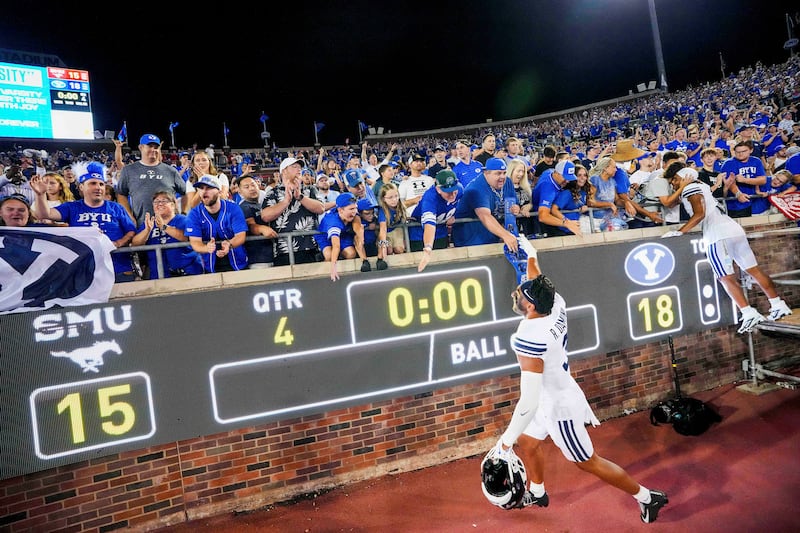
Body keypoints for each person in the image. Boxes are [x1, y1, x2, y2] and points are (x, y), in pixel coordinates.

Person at [491, 236, 668, 523]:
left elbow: (529, 400)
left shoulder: (529, 336)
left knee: (587, 462)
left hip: (558, 407)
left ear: (531, 307)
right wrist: (532, 253)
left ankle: (647, 497)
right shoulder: (555, 303)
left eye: (520, 295)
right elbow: (537, 278)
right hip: (554, 392)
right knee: (529, 439)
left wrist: (504, 444)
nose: (516, 294)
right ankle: (537, 491)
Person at [661, 163, 792, 333]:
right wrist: (682, 187)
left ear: (682, 176)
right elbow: (671, 203)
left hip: (717, 234)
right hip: (733, 229)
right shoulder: (700, 185)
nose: (673, 184)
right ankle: (778, 304)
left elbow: (699, 213)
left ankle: (748, 312)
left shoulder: (690, 188)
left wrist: (680, 232)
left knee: (725, 277)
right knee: (754, 270)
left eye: (674, 180)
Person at [30, 172, 137, 283]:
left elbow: (131, 231)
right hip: (84, 270)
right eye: (92, 183)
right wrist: (40, 195)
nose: (98, 188)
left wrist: (118, 243)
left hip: (118, 268)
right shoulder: (72, 207)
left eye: (101, 184)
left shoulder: (116, 207)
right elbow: (44, 214)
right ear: (81, 187)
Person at [261, 157, 325, 266]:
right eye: (294, 167)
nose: (299, 169)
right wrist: (286, 201)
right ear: (283, 171)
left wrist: (300, 197)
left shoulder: (310, 189)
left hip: (311, 247)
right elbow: (265, 216)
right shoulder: (273, 193)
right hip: (283, 249)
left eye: (300, 167)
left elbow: (321, 208)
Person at [115, 134, 185, 226]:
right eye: (150, 146)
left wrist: (184, 211)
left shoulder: (171, 171)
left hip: (170, 226)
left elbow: (186, 192)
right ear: (141, 147)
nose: (153, 150)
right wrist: (129, 216)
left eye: (156, 147)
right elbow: (121, 194)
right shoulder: (129, 170)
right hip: (142, 226)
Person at [130, 191, 203, 278]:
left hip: (187, 273)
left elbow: (188, 237)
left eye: (164, 201)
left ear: (173, 205)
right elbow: (135, 243)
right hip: (159, 275)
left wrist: (164, 227)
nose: (160, 204)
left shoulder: (184, 220)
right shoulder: (149, 223)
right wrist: (147, 231)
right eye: (156, 202)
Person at [452, 157, 520, 250]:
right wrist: (505, 235)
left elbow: (512, 202)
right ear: (486, 173)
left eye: (504, 173)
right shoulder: (476, 189)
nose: (502, 177)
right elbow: (484, 216)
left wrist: (515, 207)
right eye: (498, 173)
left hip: (493, 236)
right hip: (470, 240)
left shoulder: (507, 182)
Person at [185, 175, 248, 273]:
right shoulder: (194, 214)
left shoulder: (233, 208)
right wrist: (206, 248)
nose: (204, 192)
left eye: (209, 188)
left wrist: (229, 244)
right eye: (201, 188)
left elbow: (240, 236)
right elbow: (195, 242)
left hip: (237, 264)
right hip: (209, 267)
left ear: (219, 191)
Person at [314, 192, 373, 280]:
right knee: (329, 255)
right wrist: (333, 268)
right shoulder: (333, 221)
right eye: (351, 209)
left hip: (343, 233)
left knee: (351, 254)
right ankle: (324, 262)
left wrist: (361, 237)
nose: (354, 211)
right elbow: (336, 245)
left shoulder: (353, 214)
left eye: (355, 208)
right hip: (325, 236)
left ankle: (340, 256)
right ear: (340, 210)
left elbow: (357, 226)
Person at [412, 169, 462, 271]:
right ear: (438, 189)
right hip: (420, 235)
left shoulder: (460, 190)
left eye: (454, 190)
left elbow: (464, 203)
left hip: (441, 232)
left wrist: (455, 215)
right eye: (448, 192)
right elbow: (429, 224)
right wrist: (428, 248)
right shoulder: (430, 198)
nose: (452, 195)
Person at [531, 159, 582, 236]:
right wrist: (566, 223)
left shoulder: (550, 171)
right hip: (542, 221)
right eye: (565, 177)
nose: (567, 181)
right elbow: (543, 216)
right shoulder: (548, 188)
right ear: (557, 173)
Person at [236, 175, 277, 269]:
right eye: (246, 187)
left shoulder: (261, 204)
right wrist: (261, 228)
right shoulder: (244, 207)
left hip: (271, 255)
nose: (251, 188)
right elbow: (250, 225)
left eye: (253, 185)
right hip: (258, 258)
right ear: (240, 192)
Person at [720, 140, 767, 218]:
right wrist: (738, 194)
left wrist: (745, 180)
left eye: (744, 151)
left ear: (751, 150)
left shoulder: (756, 161)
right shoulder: (729, 163)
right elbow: (730, 182)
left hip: (752, 200)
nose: (740, 154)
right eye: (737, 152)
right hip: (734, 203)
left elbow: (762, 180)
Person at [398, 153, 435, 217]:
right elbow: (400, 204)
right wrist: (414, 200)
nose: (419, 163)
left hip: (429, 215)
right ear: (410, 165)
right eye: (416, 161)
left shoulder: (429, 180)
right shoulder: (404, 182)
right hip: (412, 218)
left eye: (421, 161)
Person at [376, 182, 407, 258]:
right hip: (386, 233)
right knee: (388, 250)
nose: (394, 200)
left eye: (396, 196)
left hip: (397, 230)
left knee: (399, 249)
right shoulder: (383, 211)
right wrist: (383, 246)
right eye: (390, 198)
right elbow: (383, 229)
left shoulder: (400, 207)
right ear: (383, 199)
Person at [508, 158, 535, 237]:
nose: (521, 174)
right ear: (511, 171)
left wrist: (529, 206)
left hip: (527, 227)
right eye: (518, 171)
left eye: (523, 171)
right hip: (511, 228)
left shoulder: (526, 188)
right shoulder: (504, 188)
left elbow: (531, 203)